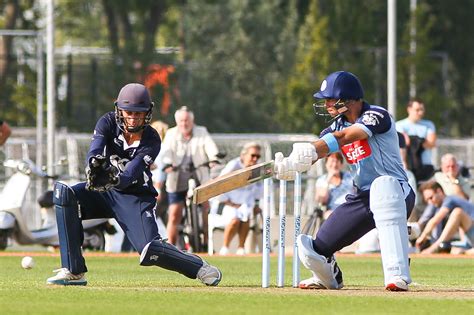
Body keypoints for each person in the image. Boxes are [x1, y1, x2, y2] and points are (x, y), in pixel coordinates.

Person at [46, 83, 221, 286]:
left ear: (148, 113)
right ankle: (73, 270)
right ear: (119, 110)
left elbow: (132, 172)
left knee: (150, 250)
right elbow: (95, 149)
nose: (133, 118)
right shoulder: (107, 122)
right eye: (129, 112)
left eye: (139, 113)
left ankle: (198, 266)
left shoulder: (152, 138)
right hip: (104, 192)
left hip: (134, 196)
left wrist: (115, 178)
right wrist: (93, 165)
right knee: (65, 194)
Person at [273, 71, 416, 291]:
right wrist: (293, 163)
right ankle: (329, 277)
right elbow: (320, 150)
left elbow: (347, 136)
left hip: (396, 192)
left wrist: (312, 148)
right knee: (316, 250)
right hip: (361, 198)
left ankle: (397, 274)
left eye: (330, 99)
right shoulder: (335, 126)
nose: (327, 104)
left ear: (348, 99)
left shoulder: (376, 115)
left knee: (383, 187)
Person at [160, 106, 220, 247]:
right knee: (174, 213)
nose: (184, 124)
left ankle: (205, 240)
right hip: (177, 174)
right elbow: (166, 151)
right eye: (181, 121)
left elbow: (210, 146)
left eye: (187, 120)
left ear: (192, 121)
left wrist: (213, 158)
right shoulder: (171, 134)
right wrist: (168, 163)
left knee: (206, 206)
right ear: (177, 122)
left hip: (199, 173)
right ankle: (171, 247)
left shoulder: (201, 132)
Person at [216, 142, 263, 256]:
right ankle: (225, 247)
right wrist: (229, 202)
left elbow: (259, 189)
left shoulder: (257, 169)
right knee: (235, 220)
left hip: (246, 204)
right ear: (244, 155)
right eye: (253, 156)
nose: (255, 159)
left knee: (245, 218)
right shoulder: (233, 165)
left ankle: (241, 248)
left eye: (258, 156)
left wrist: (256, 204)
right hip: (228, 204)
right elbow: (219, 184)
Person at [416, 181, 474, 254]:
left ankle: (435, 247)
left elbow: (435, 221)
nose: (430, 203)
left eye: (431, 198)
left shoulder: (449, 200)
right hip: (469, 239)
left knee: (457, 212)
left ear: (439, 191)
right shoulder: (441, 205)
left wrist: (422, 237)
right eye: (427, 200)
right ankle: (465, 251)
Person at [396, 99, 437, 183]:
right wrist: (421, 141)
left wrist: (412, 140)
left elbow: (431, 143)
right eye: (417, 110)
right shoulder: (399, 125)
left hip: (425, 167)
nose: (420, 113)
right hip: (407, 167)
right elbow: (403, 143)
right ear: (409, 109)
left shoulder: (429, 125)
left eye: (422, 110)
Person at [315, 152, 354, 220]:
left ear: (341, 164)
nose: (334, 164)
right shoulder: (322, 180)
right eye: (332, 161)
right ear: (326, 164)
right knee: (329, 215)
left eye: (337, 161)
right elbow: (321, 200)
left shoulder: (350, 177)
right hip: (332, 211)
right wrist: (328, 180)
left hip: (350, 209)